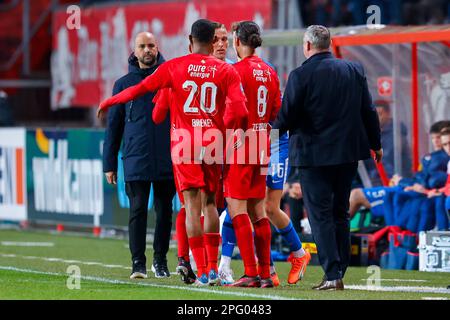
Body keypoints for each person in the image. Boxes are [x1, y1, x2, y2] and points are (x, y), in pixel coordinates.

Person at [98, 19, 248, 286]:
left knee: (191, 206)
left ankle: (201, 270)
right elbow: (240, 111)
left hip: (184, 142)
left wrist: (109, 101)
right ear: (214, 41)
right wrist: (234, 132)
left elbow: (138, 89)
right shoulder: (226, 70)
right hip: (213, 141)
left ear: (190, 40)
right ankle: (214, 268)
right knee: (211, 203)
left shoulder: (173, 67)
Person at [273, 25, 382, 290]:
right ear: (329, 44)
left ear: (308, 45)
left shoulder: (300, 75)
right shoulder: (354, 70)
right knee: (340, 212)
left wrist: (270, 138)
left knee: (320, 215)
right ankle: (339, 268)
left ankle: (333, 273)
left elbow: (286, 117)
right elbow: (368, 110)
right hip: (347, 154)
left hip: (313, 156)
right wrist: (375, 144)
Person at [102, 32, 176, 280]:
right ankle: (138, 263)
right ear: (134, 50)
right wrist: (109, 163)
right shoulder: (123, 84)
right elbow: (114, 127)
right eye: (142, 46)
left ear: (158, 48)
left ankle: (160, 261)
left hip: (167, 157)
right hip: (136, 156)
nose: (147, 50)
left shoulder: (170, 79)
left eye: (151, 45)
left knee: (165, 210)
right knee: (137, 209)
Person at [349, 120, 450, 220]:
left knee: (356, 195)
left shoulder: (441, 159)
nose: (436, 141)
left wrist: (402, 182)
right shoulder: (432, 158)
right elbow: (420, 179)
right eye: (433, 138)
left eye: (439, 137)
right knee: (355, 194)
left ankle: (337, 230)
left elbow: (427, 184)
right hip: (407, 189)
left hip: (411, 194)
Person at [363, 100, 412, 185]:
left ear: (388, 114)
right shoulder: (368, 133)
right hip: (371, 180)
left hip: (390, 180)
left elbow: (389, 162)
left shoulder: (397, 134)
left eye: (380, 114)